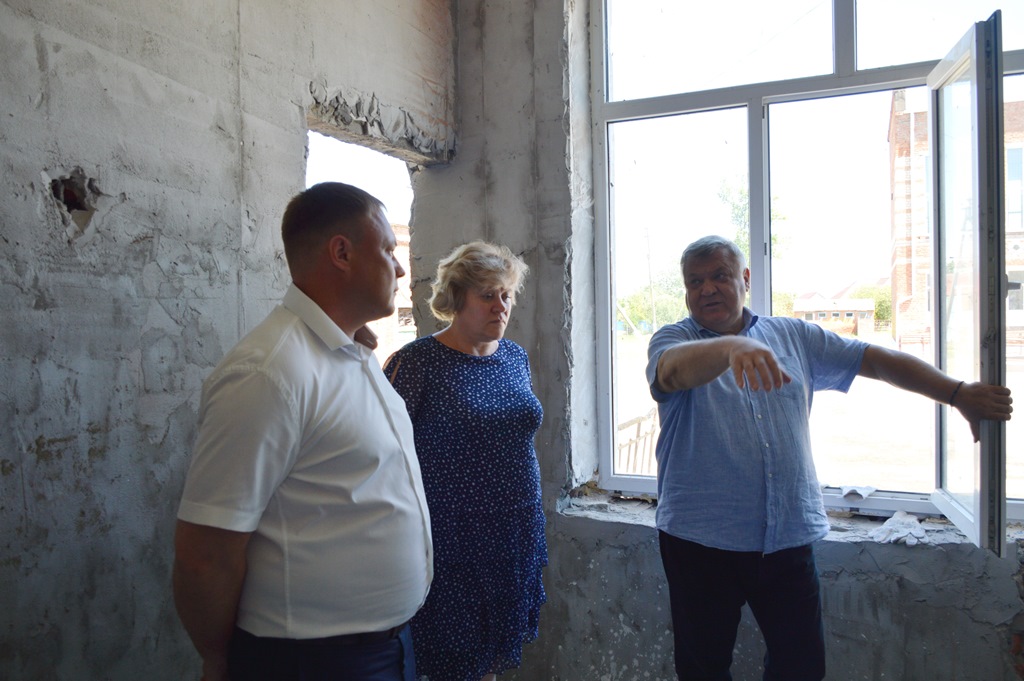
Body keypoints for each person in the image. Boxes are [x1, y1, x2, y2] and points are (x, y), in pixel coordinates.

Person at [647, 235, 1013, 681]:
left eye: (719, 276)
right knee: (703, 670)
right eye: (695, 281)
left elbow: (876, 361)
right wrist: (730, 349)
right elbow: (671, 371)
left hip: (786, 536)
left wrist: (957, 394)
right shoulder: (675, 339)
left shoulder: (792, 335)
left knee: (801, 668)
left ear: (745, 278)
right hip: (700, 541)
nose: (707, 289)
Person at [172, 182, 433, 681]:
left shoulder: (352, 354)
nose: (401, 270)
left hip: (387, 646)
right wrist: (220, 659)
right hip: (311, 662)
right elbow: (206, 553)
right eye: (388, 250)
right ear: (342, 253)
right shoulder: (269, 373)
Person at [383, 241, 546, 681]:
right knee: (452, 662)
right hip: (453, 540)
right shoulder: (417, 363)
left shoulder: (514, 357)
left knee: (491, 658)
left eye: (506, 295)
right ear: (457, 299)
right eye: (487, 295)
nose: (501, 306)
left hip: (514, 530)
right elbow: (383, 454)